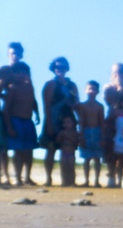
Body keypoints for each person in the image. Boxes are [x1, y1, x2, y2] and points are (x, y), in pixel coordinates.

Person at [39, 56, 79, 186]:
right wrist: (49, 123)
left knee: (68, 150)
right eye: (57, 67)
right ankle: (48, 178)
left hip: (68, 121)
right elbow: (46, 105)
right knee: (51, 149)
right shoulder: (50, 84)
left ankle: (68, 180)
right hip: (53, 120)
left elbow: (77, 104)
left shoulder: (72, 85)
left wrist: (79, 123)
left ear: (66, 68)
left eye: (62, 67)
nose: (60, 69)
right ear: (53, 68)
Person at [3, 62, 39, 186]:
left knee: (29, 150)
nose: (21, 75)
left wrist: (37, 113)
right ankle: (17, 177)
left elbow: (33, 101)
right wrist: (9, 126)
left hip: (28, 120)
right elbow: (7, 110)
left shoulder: (30, 87)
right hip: (16, 120)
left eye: (24, 72)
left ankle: (27, 177)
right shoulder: (12, 88)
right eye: (19, 72)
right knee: (18, 151)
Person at [103, 63, 123, 187]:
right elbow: (109, 100)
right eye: (115, 72)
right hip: (111, 122)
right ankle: (111, 176)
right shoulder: (108, 87)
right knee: (111, 151)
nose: (118, 75)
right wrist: (118, 87)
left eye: (121, 72)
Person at [78, 81, 105, 187]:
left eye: (94, 89)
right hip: (86, 132)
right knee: (86, 158)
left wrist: (102, 137)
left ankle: (97, 180)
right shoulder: (83, 106)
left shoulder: (99, 106)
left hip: (97, 131)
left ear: (97, 91)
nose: (91, 91)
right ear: (85, 90)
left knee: (97, 158)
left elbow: (102, 122)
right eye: (89, 89)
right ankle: (86, 180)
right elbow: (81, 121)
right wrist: (81, 136)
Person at [55, 115, 78, 186]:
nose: (66, 124)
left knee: (71, 168)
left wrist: (68, 137)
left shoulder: (74, 133)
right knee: (63, 168)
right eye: (64, 122)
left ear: (73, 123)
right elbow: (57, 141)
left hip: (71, 153)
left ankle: (72, 182)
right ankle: (64, 182)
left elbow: (76, 142)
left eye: (68, 122)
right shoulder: (62, 132)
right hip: (63, 153)